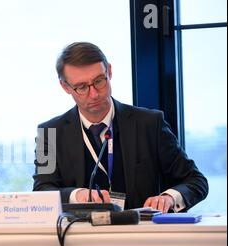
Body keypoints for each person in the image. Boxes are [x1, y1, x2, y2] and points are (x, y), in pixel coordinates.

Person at [33, 42, 208, 212]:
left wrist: (169, 198)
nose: (94, 94)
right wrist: (77, 195)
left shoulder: (151, 123)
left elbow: (195, 180)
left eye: (99, 81)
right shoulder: (48, 133)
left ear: (109, 71)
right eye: (81, 87)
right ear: (65, 87)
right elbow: (41, 191)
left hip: (142, 235)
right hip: (78, 238)